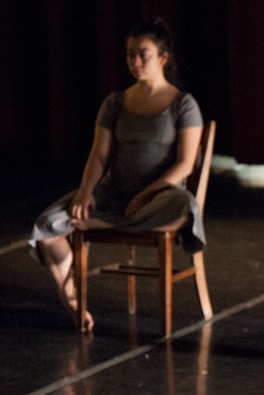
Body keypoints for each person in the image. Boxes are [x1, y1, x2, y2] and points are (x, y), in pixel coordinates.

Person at [29, 18, 205, 332]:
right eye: (129, 54)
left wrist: (146, 194)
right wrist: (85, 190)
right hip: (115, 193)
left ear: (163, 58)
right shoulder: (115, 103)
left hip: (158, 198)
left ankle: (101, 224)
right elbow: (99, 155)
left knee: (184, 208)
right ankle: (71, 299)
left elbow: (185, 164)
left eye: (143, 54)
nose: (135, 61)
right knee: (47, 225)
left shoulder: (183, 104)